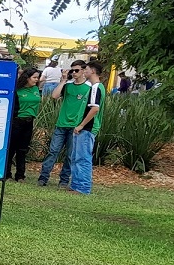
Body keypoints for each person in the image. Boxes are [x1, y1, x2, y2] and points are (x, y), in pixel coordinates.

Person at [38, 59, 87, 187]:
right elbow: (54, 96)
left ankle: (64, 180)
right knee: (53, 151)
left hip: (75, 126)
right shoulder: (68, 85)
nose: (74, 73)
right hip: (61, 124)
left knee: (70, 155)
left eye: (77, 70)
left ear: (83, 71)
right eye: (72, 70)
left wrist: (81, 125)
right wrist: (63, 80)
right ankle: (43, 178)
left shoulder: (88, 88)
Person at [67, 60, 104, 195]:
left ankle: (82, 187)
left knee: (83, 158)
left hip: (87, 128)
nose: (84, 71)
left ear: (93, 71)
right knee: (77, 157)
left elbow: (95, 109)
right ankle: (76, 184)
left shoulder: (95, 88)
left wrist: (82, 124)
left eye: (86, 69)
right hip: (84, 128)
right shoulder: (96, 87)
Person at [7, 68, 42, 181]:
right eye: (34, 77)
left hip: (29, 121)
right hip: (17, 121)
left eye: (37, 77)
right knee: (11, 149)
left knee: (22, 150)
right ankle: (7, 173)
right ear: (27, 78)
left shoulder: (36, 89)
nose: (36, 80)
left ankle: (20, 175)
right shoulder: (17, 90)